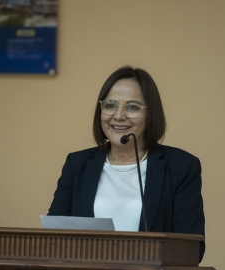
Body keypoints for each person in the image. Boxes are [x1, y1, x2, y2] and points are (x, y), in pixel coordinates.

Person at [47, 66, 205, 262]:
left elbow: (191, 248)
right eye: (110, 105)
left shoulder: (181, 167)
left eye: (132, 107)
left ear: (151, 114)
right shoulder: (77, 164)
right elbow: (52, 239)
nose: (119, 116)